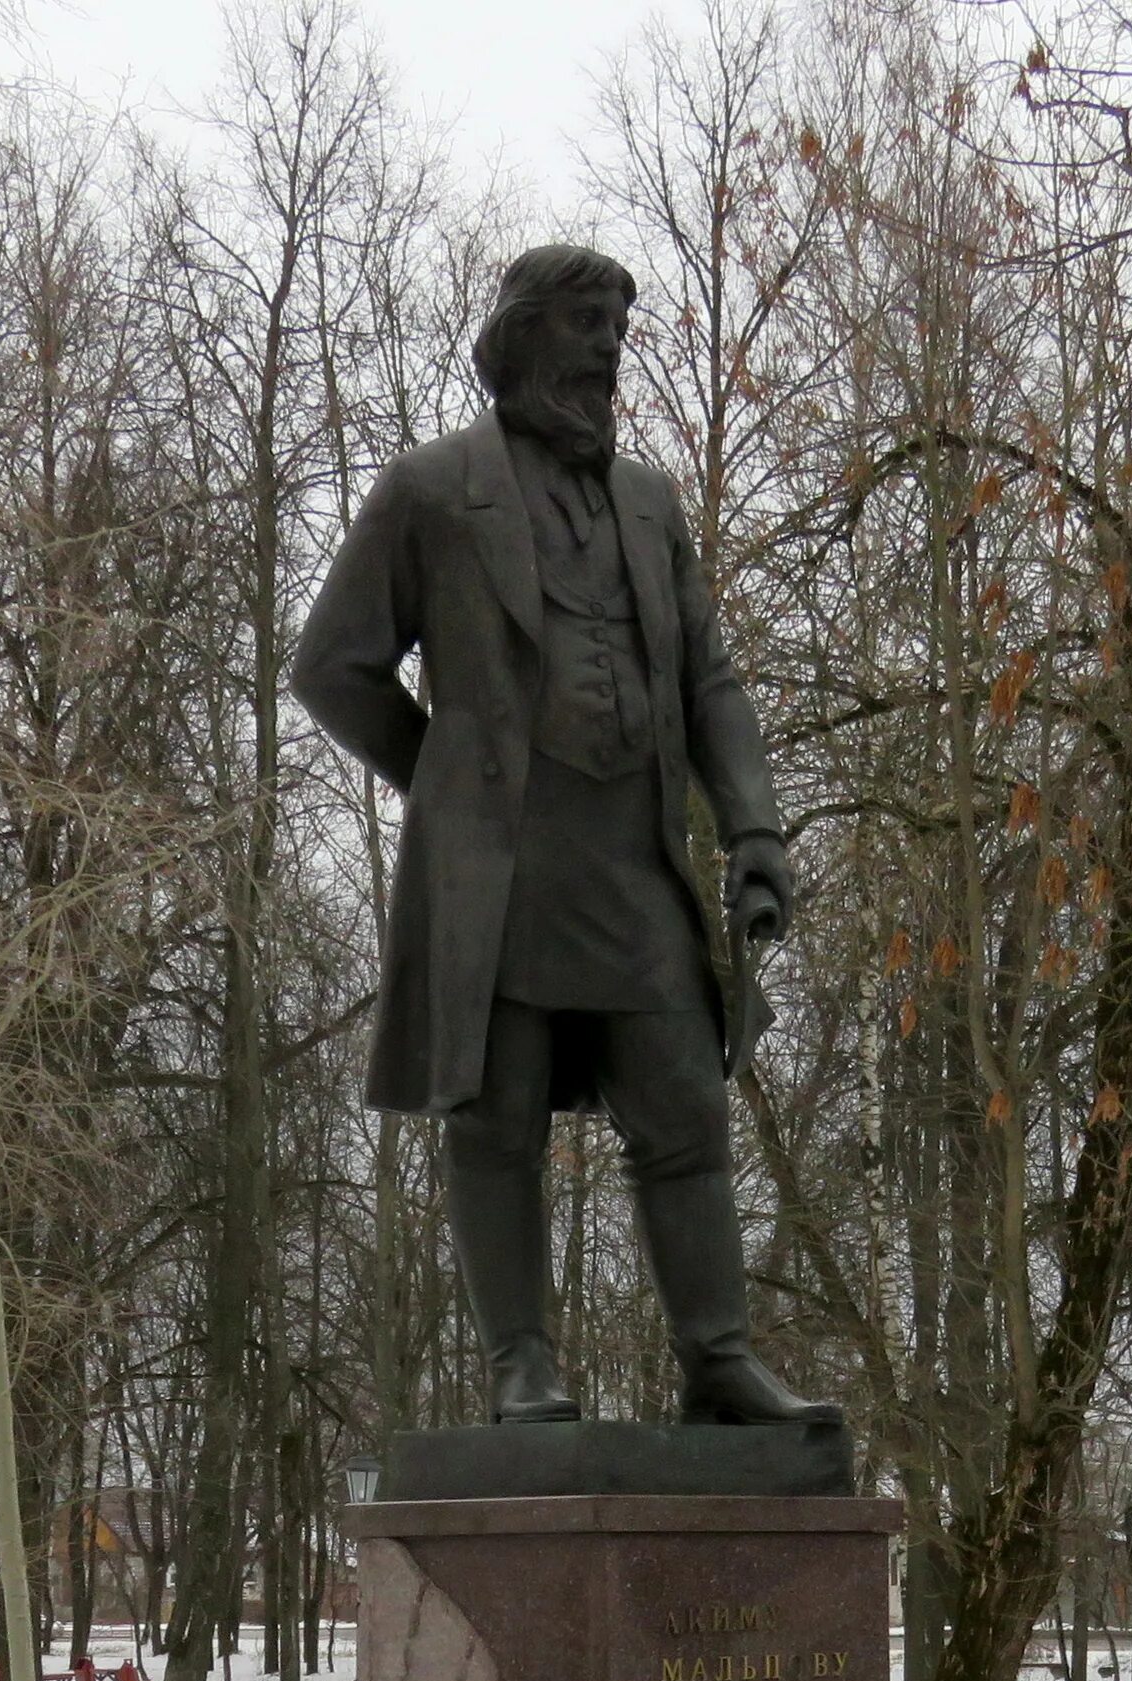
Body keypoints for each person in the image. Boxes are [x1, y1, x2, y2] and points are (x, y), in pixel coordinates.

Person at [292, 243, 837, 1427]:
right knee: (497, 1119)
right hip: (504, 874)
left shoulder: (651, 503)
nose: (606, 351)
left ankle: (719, 1359)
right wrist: (451, 781)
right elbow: (330, 668)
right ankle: (521, 1365)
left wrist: (755, 828)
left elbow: (712, 684)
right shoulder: (432, 491)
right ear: (523, 335)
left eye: (617, 332)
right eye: (586, 325)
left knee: (685, 1109)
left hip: (635, 869)